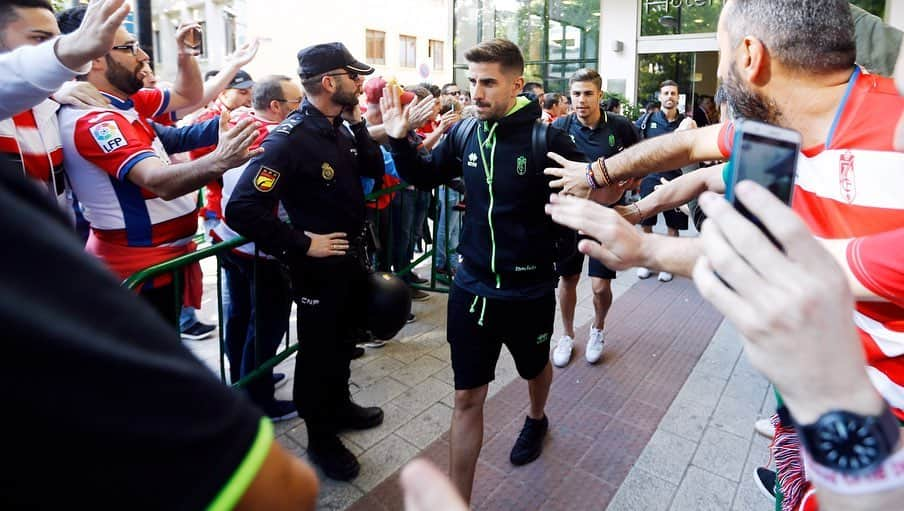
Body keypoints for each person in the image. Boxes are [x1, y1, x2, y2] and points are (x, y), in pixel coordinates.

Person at [544, 1, 903, 509]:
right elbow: (690, 150)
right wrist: (605, 181)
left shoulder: (892, 139)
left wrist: (647, 248)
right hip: (813, 417)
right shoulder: (778, 134)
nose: (718, 66)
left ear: (749, 56)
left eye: (720, 49)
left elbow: (798, 271)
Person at [0, 157, 319, 510]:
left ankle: (250, 381)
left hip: (163, 263)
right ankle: (253, 389)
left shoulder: (125, 113)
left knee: (240, 321)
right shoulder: (88, 119)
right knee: (248, 321)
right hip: (142, 267)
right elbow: (281, 489)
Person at [380, 38, 586, 503]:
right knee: (466, 397)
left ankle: (536, 419)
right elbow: (425, 175)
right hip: (471, 289)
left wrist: (565, 261)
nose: (476, 92)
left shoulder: (547, 137)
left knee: (535, 371)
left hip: (530, 290)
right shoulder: (465, 132)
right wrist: (398, 139)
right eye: (473, 81)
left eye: (488, 82)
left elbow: (578, 204)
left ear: (516, 83)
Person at [225, 42, 386, 482]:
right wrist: (300, 244)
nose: (359, 83)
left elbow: (374, 168)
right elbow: (241, 208)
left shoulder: (341, 127)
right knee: (317, 353)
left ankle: (340, 406)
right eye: (353, 77)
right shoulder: (289, 138)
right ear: (330, 82)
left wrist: (359, 123)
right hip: (317, 269)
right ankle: (320, 437)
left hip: (351, 257)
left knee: (342, 342)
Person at [56, 6, 262, 325]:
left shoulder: (124, 101)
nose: (143, 56)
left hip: (160, 266)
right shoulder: (94, 121)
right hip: (136, 276)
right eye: (129, 48)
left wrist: (186, 53)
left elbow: (187, 95)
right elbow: (158, 180)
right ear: (94, 57)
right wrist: (221, 159)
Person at [214, 75, 303, 422]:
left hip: (231, 242)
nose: (303, 109)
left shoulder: (239, 125)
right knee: (265, 326)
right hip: (258, 249)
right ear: (276, 106)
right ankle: (258, 399)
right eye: (298, 103)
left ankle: (245, 379)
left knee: (240, 317)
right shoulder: (275, 141)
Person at [549, 68, 639, 367]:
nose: (582, 100)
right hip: (569, 218)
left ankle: (598, 329)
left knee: (600, 286)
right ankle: (566, 334)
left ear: (600, 95)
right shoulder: (559, 127)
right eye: (576, 94)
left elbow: (641, 156)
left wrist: (633, 178)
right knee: (568, 279)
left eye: (588, 93)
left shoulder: (621, 126)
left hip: (605, 216)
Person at [632, 79, 697, 282]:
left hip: (677, 179)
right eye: (666, 93)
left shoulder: (686, 123)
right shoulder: (647, 119)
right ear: (660, 97)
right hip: (650, 178)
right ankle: (647, 262)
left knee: (673, 225)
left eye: (673, 93)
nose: (669, 96)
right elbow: (633, 145)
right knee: (646, 222)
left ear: (678, 98)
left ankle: (668, 265)